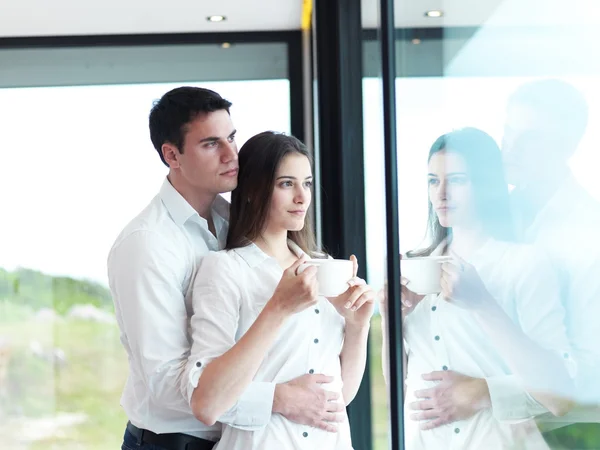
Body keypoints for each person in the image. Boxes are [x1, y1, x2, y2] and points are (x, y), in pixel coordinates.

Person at [108, 87, 347, 450]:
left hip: (242, 436)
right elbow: (165, 381)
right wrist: (278, 398)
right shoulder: (147, 244)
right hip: (173, 441)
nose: (231, 154)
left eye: (232, 138)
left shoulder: (236, 222)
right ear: (172, 155)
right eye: (211, 144)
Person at [379, 127, 574, 449]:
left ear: (486, 184)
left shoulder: (524, 264)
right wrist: (389, 318)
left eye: (456, 180)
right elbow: (399, 391)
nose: (441, 194)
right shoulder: (415, 269)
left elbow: (559, 393)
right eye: (433, 181)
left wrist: (483, 391)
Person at [182, 131, 375, 450]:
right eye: (287, 184)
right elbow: (208, 402)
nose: (302, 197)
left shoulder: (324, 267)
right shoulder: (225, 270)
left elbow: (337, 399)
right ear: (253, 192)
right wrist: (279, 308)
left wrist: (357, 324)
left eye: (307, 183)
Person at [502, 79, 600, 447]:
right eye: (509, 132)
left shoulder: (590, 233)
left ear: (568, 146)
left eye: (529, 138)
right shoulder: (492, 219)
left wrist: (484, 394)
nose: (509, 148)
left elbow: (589, 374)